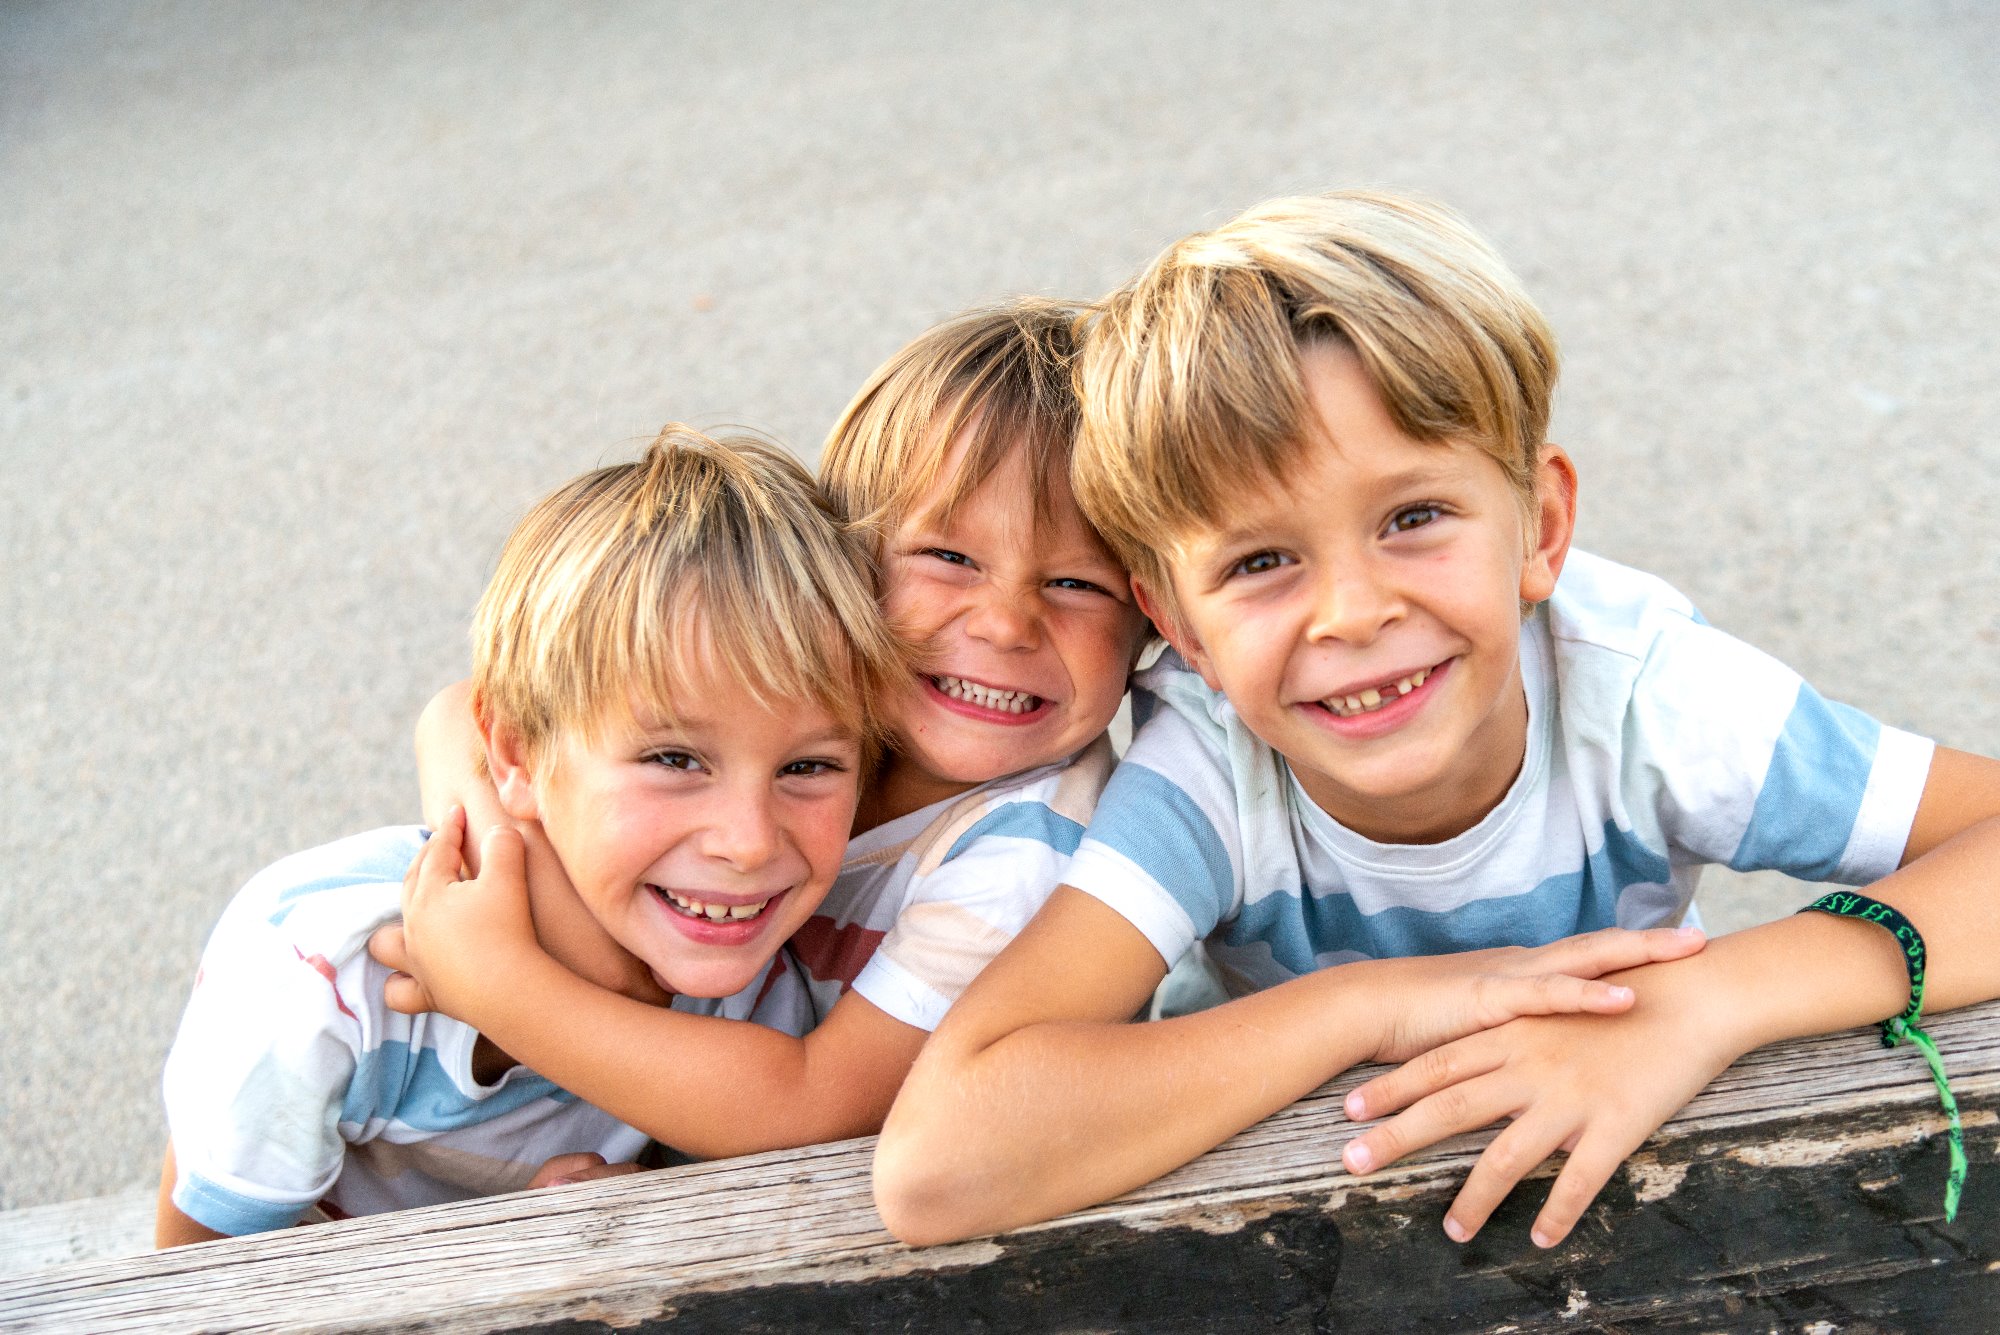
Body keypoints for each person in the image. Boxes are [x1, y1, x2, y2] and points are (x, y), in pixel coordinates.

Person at [872, 190, 2000, 1249]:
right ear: (1185, 631)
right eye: (1261, 561)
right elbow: (937, 1164)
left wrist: (1711, 1001)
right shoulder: (1210, 775)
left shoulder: (1639, 691)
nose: (1354, 613)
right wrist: (1371, 1004)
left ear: (1539, 528)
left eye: (1412, 517)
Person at [373, 302, 1153, 1175]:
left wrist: (498, 983)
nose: (1008, 623)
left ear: (1151, 618)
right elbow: (469, 710)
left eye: (1077, 582)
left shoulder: (1029, 856)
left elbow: (815, 1105)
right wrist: (501, 845)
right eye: (949, 558)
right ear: (848, 562)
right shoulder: (828, 701)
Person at [155, 427, 901, 1245]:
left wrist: (653, 1193)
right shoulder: (324, 973)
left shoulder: (761, 982)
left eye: (808, 768)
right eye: (675, 758)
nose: (750, 842)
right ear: (514, 752)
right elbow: (196, 1280)